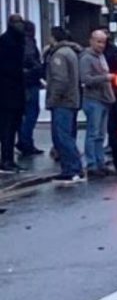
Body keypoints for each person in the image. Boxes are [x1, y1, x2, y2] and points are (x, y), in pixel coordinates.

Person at [46, 27, 85, 184]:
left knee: (62, 137)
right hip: (72, 99)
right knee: (68, 135)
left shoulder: (59, 55)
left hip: (62, 101)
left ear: (53, 37)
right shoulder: (71, 52)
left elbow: (60, 80)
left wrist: (53, 98)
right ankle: (73, 169)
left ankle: (72, 169)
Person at [80, 29, 116, 177]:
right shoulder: (86, 58)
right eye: (98, 42)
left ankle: (100, 163)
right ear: (91, 41)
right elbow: (85, 79)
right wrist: (105, 78)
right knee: (93, 133)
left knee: (100, 134)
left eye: (103, 42)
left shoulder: (101, 56)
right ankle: (91, 164)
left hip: (104, 99)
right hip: (93, 99)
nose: (101, 45)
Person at [0, 15, 28, 173]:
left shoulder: (17, 41)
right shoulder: (7, 42)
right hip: (7, 94)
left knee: (12, 127)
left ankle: (8, 159)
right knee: (7, 128)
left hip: (14, 92)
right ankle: (6, 160)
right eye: (18, 23)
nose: (21, 26)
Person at [17, 21, 44, 156]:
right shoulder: (28, 42)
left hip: (20, 83)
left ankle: (24, 141)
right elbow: (30, 60)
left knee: (23, 114)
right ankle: (25, 141)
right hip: (29, 83)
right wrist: (39, 70)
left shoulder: (17, 42)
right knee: (31, 112)